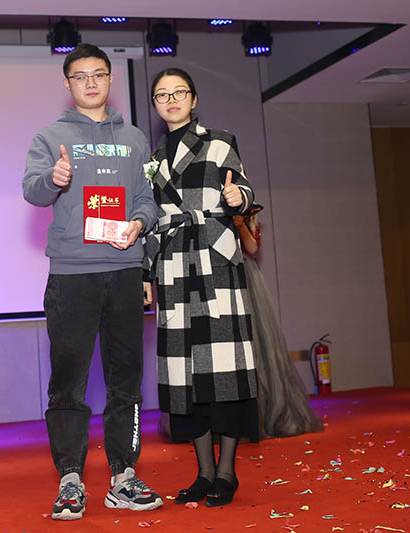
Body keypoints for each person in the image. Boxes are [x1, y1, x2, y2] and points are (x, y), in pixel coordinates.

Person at [22, 43, 162, 521]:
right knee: (68, 383)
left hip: (123, 271)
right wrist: (54, 178)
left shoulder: (134, 139)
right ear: (68, 83)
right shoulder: (50, 137)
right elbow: (32, 190)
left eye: (98, 74)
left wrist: (138, 224)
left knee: (127, 380)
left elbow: (146, 199)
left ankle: (124, 476)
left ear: (109, 79)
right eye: (80, 76)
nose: (90, 83)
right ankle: (70, 480)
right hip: (72, 275)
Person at [143, 67, 257, 507]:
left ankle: (226, 472)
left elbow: (243, 188)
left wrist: (238, 198)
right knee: (185, 375)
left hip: (215, 261)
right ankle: (203, 472)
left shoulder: (220, 141)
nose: (171, 100)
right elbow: (150, 220)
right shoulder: (151, 159)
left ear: (194, 99)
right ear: (156, 105)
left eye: (179, 92)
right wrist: (146, 273)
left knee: (223, 371)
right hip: (174, 265)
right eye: (162, 95)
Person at [233, 206, 324, 439]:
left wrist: (240, 224)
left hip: (246, 280)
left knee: (257, 348)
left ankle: (260, 415)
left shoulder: (246, 209)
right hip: (218, 277)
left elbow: (252, 247)